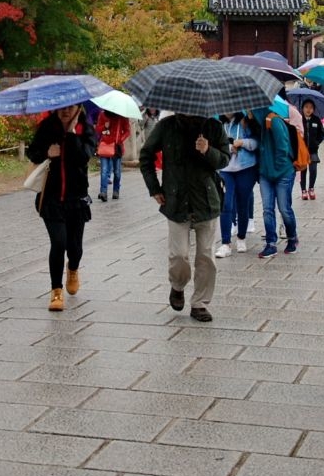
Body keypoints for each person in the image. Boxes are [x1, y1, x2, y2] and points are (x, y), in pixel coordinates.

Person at [139, 112, 229, 322]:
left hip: (206, 201)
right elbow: (146, 156)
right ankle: (177, 286)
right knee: (179, 255)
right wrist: (154, 187)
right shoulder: (166, 126)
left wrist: (208, 151)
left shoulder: (213, 127)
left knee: (206, 257)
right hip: (176, 200)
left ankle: (199, 303)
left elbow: (224, 159)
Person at [26, 104, 95, 312]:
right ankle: (56, 290)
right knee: (59, 243)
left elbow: (85, 156)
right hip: (52, 198)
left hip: (76, 198)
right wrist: (47, 153)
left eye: (70, 107)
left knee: (75, 248)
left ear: (78, 109)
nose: (65, 111)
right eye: (61, 107)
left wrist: (72, 135)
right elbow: (33, 152)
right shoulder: (47, 127)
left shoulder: (85, 129)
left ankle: (72, 268)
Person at [251, 103, 301, 258]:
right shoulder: (258, 125)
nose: (247, 112)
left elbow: (283, 148)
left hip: (283, 172)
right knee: (267, 209)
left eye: (249, 109)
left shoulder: (274, 120)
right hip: (266, 173)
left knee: (284, 208)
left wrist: (275, 168)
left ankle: (292, 238)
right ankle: (271, 243)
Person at [215, 112, 258, 258]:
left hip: (246, 168)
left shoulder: (245, 122)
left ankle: (241, 238)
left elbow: (256, 143)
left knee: (242, 204)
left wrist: (242, 143)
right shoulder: (219, 125)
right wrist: (228, 148)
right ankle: (225, 243)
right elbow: (214, 146)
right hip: (225, 170)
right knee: (225, 204)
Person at [95, 109, 131, 202]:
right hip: (105, 146)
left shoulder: (122, 116)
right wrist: (105, 126)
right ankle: (103, 192)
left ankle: (116, 191)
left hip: (116, 147)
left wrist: (120, 140)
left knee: (117, 172)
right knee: (104, 171)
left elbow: (127, 131)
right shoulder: (103, 115)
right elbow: (98, 129)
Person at [298, 100, 324, 201]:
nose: (308, 109)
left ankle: (311, 188)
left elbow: (322, 133)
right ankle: (303, 190)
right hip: (302, 150)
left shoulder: (316, 120)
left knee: (313, 170)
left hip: (313, 150)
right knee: (303, 170)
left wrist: (316, 142)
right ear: (302, 108)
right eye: (306, 107)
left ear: (313, 109)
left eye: (311, 107)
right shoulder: (300, 119)